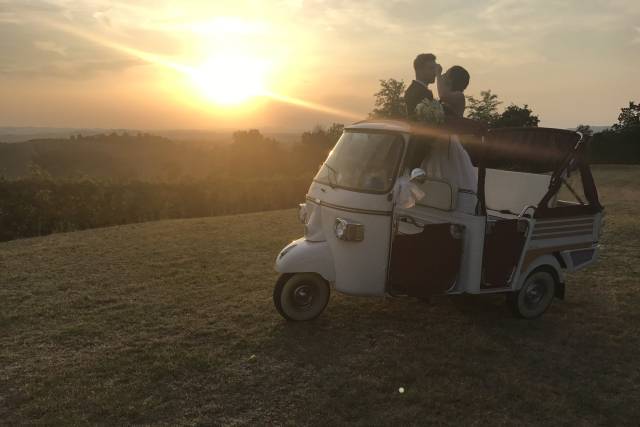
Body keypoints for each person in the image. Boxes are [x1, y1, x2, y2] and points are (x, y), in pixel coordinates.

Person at [404, 53, 438, 118]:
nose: (435, 72)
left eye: (435, 69)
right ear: (419, 70)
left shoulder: (416, 89)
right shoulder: (416, 92)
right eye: (431, 68)